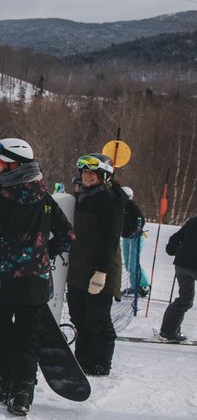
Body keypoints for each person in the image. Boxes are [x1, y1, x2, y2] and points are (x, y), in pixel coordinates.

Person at [0, 138, 74, 417]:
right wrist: (43, 253)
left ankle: (8, 386)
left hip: (2, 283)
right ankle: (21, 394)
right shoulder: (45, 199)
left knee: (2, 337)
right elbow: (67, 236)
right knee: (27, 338)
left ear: (13, 166)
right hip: (35, 284)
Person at [67, 152, 128, 377]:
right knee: (78, 316)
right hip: (78, 268)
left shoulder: (110, 201)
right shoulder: (82, 196)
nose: (87, 177)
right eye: (84, 172)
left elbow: (109, 240)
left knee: (97, 318)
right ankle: (82, 358)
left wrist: (101, 271)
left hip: (100, 268)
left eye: (92, 173)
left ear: (103, 175)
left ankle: (100, 361)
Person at [159, 214, 197, 342]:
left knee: (185, 298)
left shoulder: (193, 220)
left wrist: (173, 250)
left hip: (182, 264)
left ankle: (168, 331)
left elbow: (174, 238)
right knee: (185, 298)